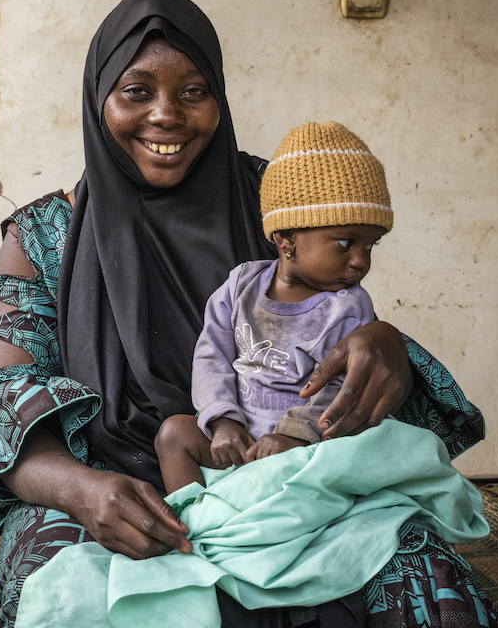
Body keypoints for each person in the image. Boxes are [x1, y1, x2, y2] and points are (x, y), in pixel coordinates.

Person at [0, 0, 498, 628]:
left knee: (418, 570)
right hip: (112, 491)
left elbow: (335, 334)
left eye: (194, 91)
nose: (167, 115)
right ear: (97, 101)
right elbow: (2, 403)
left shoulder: (273, 202)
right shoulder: (44, 237)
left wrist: (386, 344)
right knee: (60, 586)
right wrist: (81, 491)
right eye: (137, 91)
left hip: (281, 471)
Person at [155, 121, 393, 493]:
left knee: (339, 464)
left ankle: (259, 521)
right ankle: (196, 523)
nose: (360, 261)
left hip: (304, 444)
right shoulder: (241, 285)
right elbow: (211, 356)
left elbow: (343, 387)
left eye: (371, 246)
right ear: (286, 239)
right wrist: (222, 422)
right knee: (173, 435)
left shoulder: (348, 307)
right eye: (346, 243)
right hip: (238, 437)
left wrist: (294, 437)